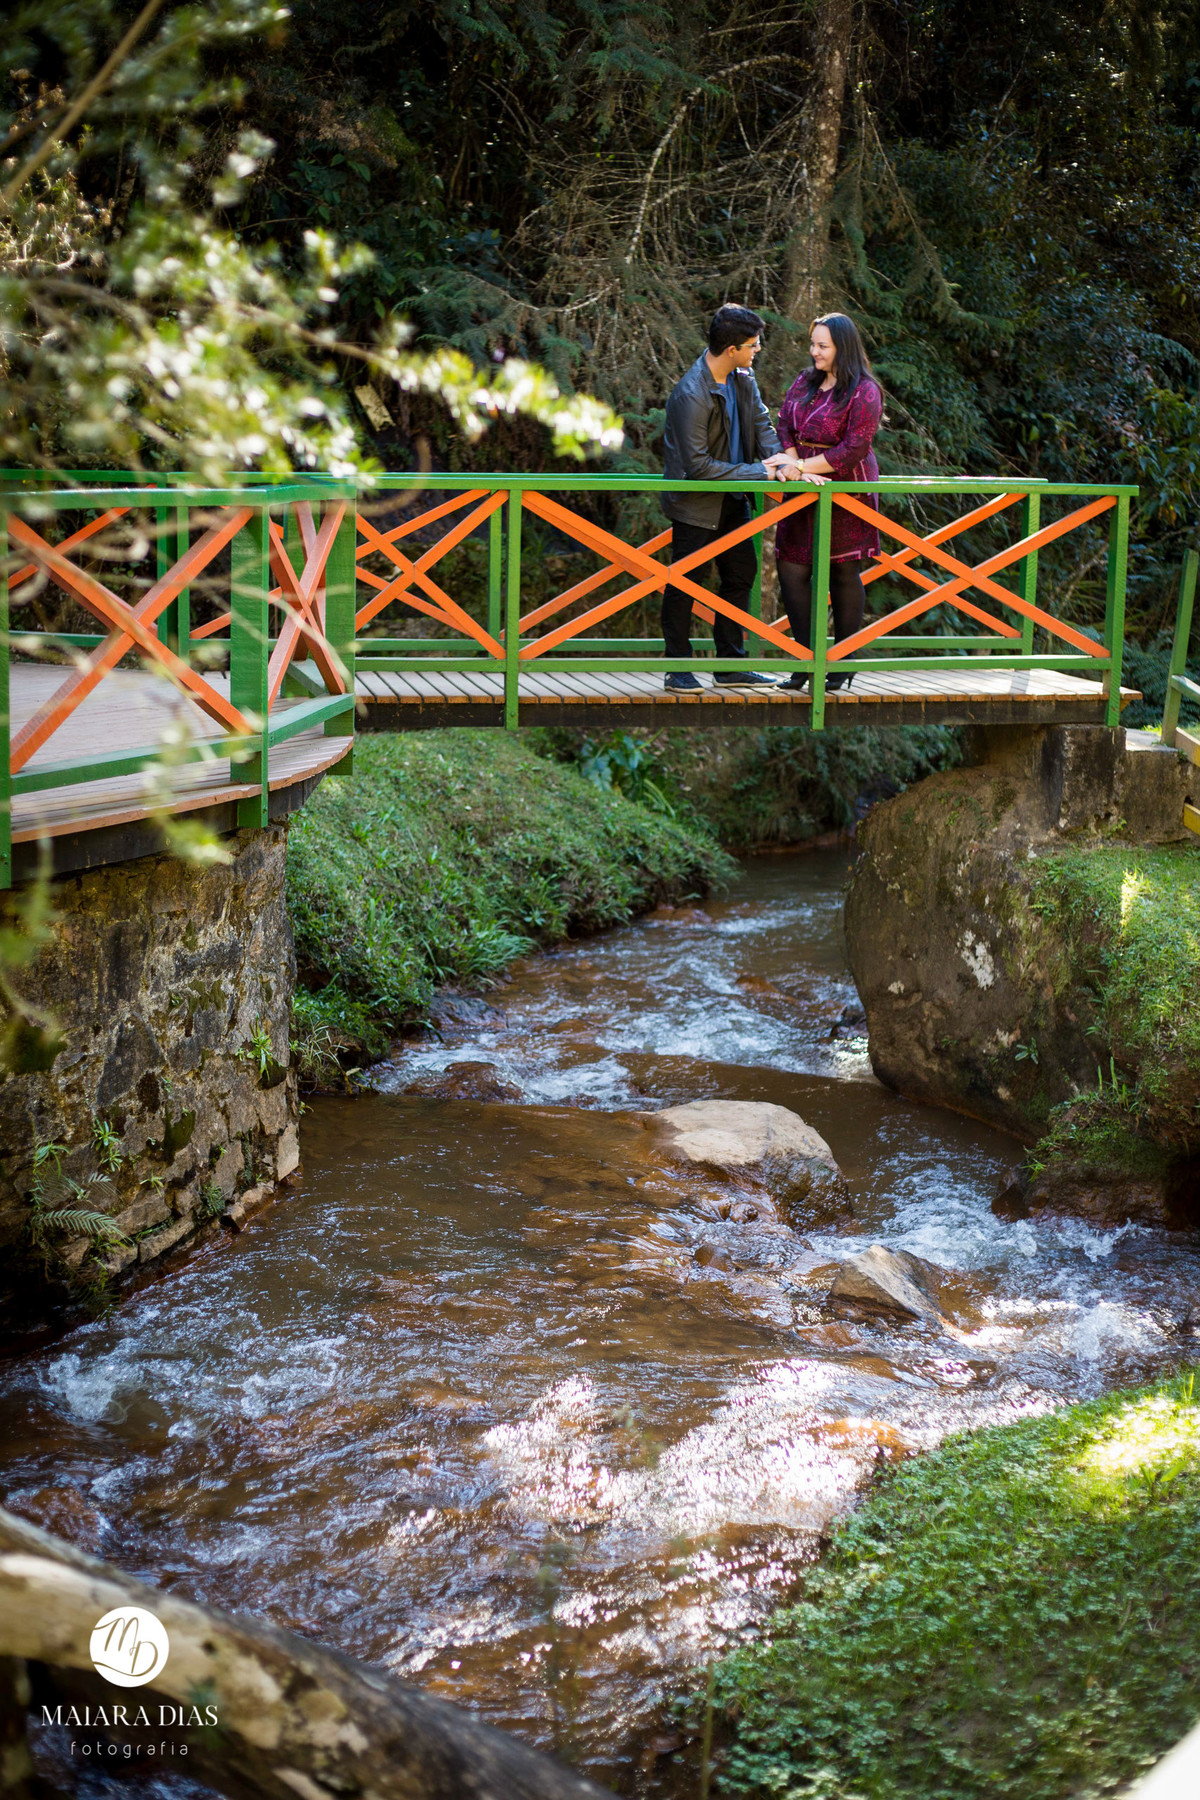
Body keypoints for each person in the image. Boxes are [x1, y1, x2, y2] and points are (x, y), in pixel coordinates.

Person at [659, 304, 802, 691]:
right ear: (731, 348)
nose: (757, 350)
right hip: (696, 503)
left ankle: (729, 665)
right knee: (686, 581)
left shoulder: (742, 376)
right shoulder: (691, 393)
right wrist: (761, 471)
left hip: (733, 497)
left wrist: (784, 461)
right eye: (753, 345)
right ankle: (677, 667)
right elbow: (699, 467)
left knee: (741, 575)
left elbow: (761, 423)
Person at [772, 312, 884, 692]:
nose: (814, 352)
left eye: (822, 346)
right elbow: (784, 423)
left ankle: (842, 660)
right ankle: (806, 659)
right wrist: (793, 466)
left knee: (842, 572)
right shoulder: (806, 380)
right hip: (801, 484)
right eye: (813, 344)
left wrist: (802, 465)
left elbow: (854, 447)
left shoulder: (865, 390)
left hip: (845, 489)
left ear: (842, 347)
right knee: (791, 568)